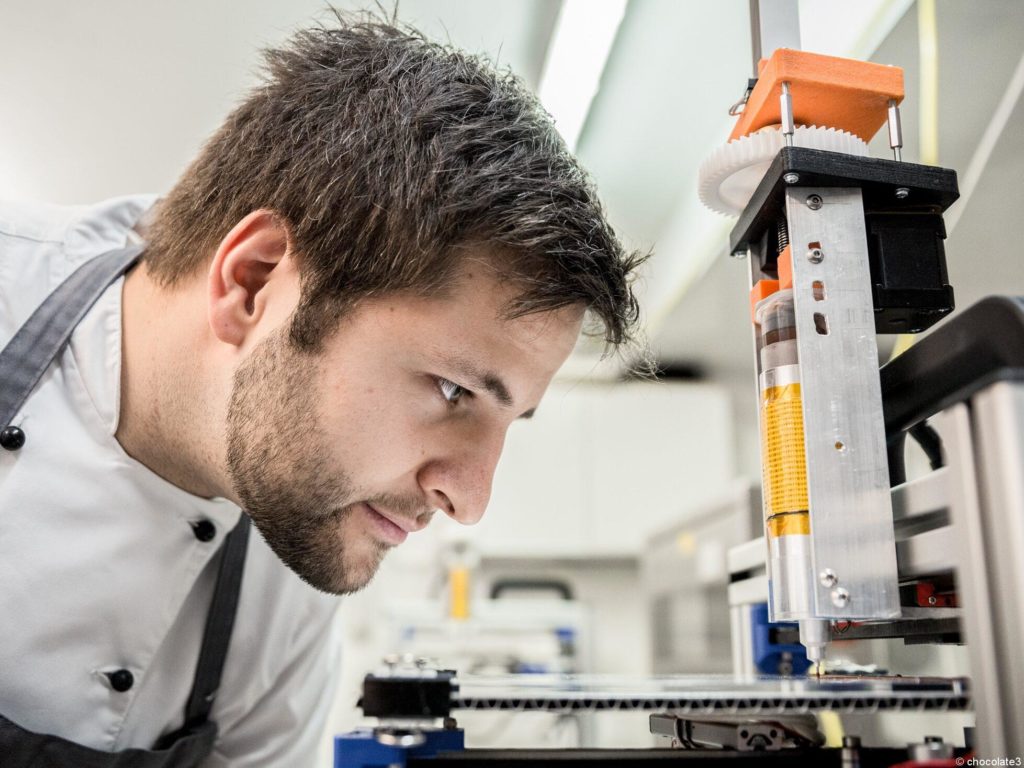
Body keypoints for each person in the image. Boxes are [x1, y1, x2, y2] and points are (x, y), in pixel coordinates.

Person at [0, 12, 644, 768]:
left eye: (513, 420)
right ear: (253, 282)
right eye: (452, 390)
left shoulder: (292, 572)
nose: (469, 501)